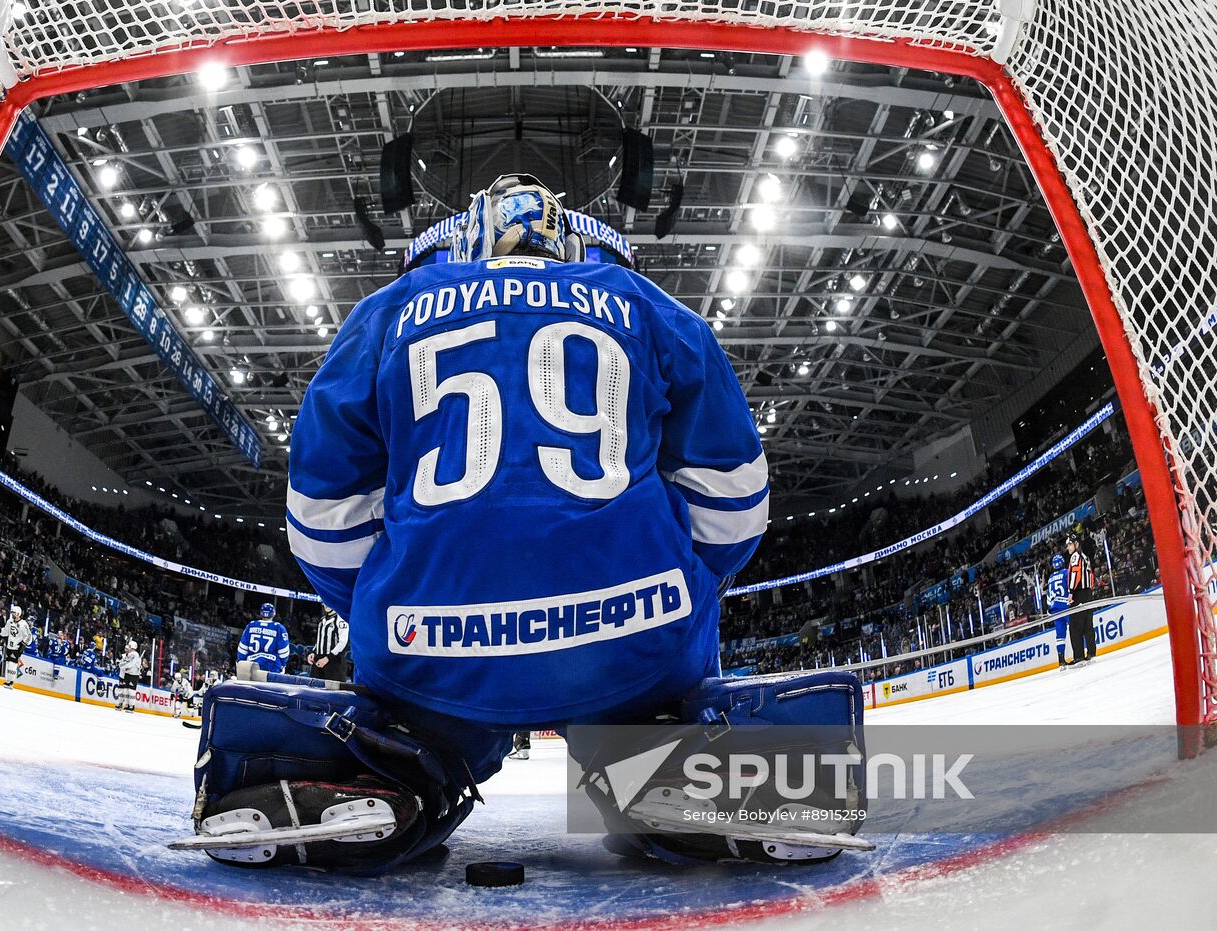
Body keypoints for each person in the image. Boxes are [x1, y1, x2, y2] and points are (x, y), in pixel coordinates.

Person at [182, 174, 862, 875]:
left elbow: (320, 522)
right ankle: (667, 771)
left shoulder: (389, 312)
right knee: (656, 694)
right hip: (633, 653)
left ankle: (389, 773)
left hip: (431, 658)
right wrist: (662, 576)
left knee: (419, 736)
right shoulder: (645, 306)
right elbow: (736, 508)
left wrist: (398, 600)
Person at [235, 603, 290, 680]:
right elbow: (284, 652)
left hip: (251, 666)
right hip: (272, 667)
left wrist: (241, 663)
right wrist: (282, 665)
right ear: (273, 614)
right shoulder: (279, 628)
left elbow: (242, 649)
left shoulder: (251, 625)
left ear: (261, 613)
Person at [1066, 534, 1098, 663]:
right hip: (1087, 594)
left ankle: (1078, 656)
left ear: (1076, 544)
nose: (1068, 547)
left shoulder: (1075, 556)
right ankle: (1091, 652)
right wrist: (1090, 590)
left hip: (1078, 594)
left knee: (1075, 626)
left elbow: (1075, 573)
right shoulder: (1085, 557)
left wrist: (1071, 592)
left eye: (1069, 544)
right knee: (1088, 625)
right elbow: (1090, 576)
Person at [306, 606, 349, 683]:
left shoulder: (341, 620)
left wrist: (328, 658)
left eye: (328, 603)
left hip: (334, 662)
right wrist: (313, 652)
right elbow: (319, 640)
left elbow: (343, 643)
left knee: (334, 692)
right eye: (324, 603)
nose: (326, 605)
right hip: (319, 660)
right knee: (314, 690)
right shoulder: (322, 620)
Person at [1045, 553, 1070, 668]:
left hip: (1055, 608)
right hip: (1065, 605)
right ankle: (1082, 653)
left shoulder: (1050, 578)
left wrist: (1050, 608)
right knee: (1076, 629)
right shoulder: (1066, 572)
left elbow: (1048, 596)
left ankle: (1061, 660)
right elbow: (1070, 587)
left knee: (1060, 635)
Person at [0, 604, 33, 689]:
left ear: (18, 614)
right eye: (12, 613)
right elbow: (6, 632)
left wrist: (23, 644)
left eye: (14, 613)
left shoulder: (23, 624)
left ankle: (11, 682)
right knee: (8, 663)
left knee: (12, 664)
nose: (12, 614)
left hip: (17, 647)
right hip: (9, 646)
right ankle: (7, 680)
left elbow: (29, 636)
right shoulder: (9, 621)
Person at [116, 640, 143, 713]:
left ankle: (131, 706)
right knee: (126, 691)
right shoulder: (131, 654)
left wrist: (122, 666)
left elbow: (130, 663)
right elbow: (125, 661)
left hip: (133, 675)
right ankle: (128, 705)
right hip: (128, 674)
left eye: (129, 647)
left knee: (131, 691)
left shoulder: (135, 654)